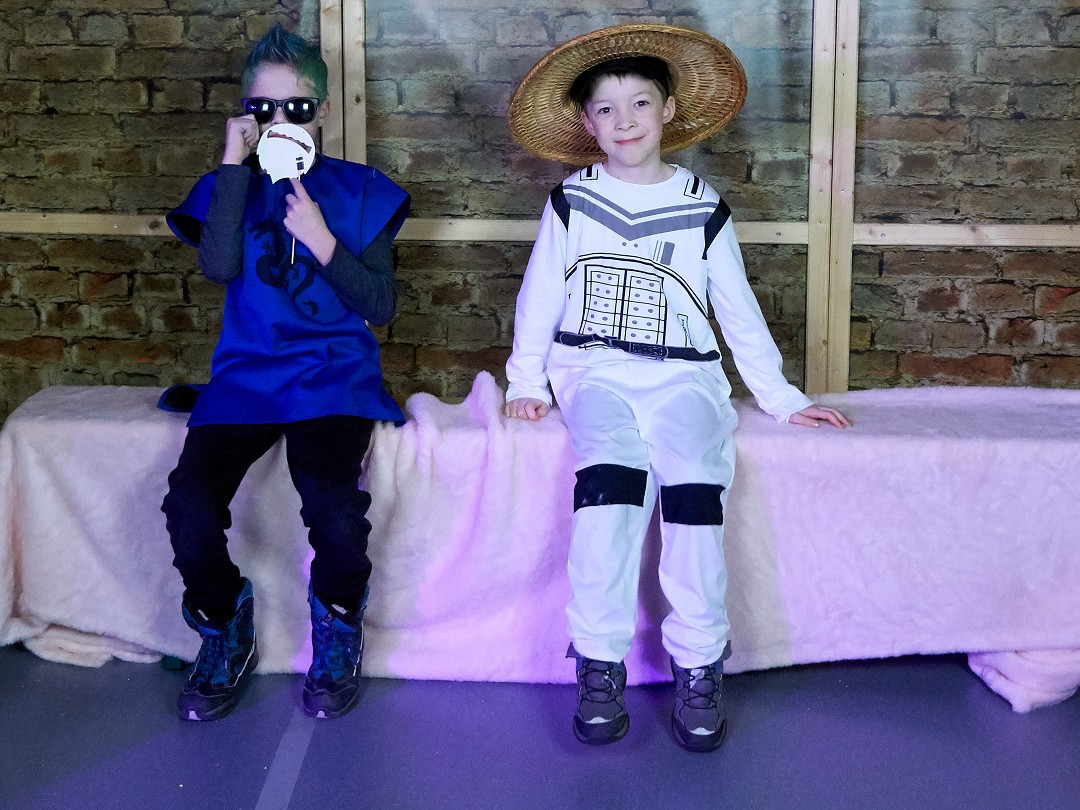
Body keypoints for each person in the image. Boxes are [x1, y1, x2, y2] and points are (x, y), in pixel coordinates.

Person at [503, 24, 850, 752]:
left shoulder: (701, 204)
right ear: (587, 123)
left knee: (695, 490)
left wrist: (783, 398)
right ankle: (598, 662)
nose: (624, 120)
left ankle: (699, 664)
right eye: (606, 108)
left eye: (639, 103)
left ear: (667, 110)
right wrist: (526, 380)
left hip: (684, 377)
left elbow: (736, 308)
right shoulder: (572, 202)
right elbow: (540, 295)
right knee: (609, 487)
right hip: (595, 373)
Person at [162, 23, 409, 722]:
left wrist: (325, 242)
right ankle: (223, 622)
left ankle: (338, 624)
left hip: (333, 377)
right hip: (246, 378)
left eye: (295, 108)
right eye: (262, 107)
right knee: (188, 506)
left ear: (322, 113)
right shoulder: (229, 187)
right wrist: (233, 164)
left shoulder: (361, 192)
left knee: (333, 508)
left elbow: (381, 305)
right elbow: (218, 266)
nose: (279, 120)